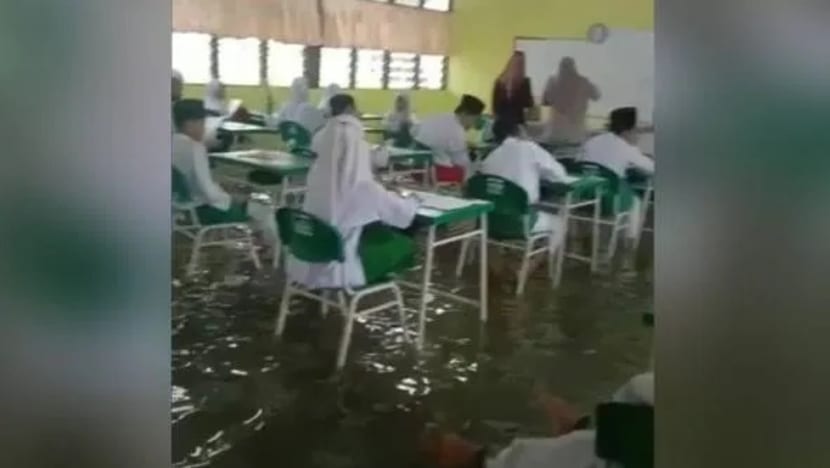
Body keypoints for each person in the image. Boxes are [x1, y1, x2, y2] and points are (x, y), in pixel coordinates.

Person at [286, 94, 420, 289]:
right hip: (341, 265)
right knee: (403, 242)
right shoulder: (361, 186)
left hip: (309, 253)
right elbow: (397, 211)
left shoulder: (316, 174)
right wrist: (412, 201)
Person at [480, 116, 575, 234]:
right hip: (521, 221)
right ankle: (546, 253)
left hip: (490, 222)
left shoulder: (489, 158)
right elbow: (559, 174)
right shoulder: (529, 148)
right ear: (520, 130)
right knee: (558, 221)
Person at [582, 107, 654, 241]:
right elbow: (651, 168)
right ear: (629, 130)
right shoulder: (626, 147)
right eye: (637, 129)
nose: (638, 133)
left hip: (587, 196)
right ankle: (629, 242)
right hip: (609, 199)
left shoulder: (592, 141)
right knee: (636, 201)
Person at [172, 99, 246, 224]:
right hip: (201, 211)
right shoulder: (195, 148)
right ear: (191, 124)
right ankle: (277, 243)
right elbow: (208, 192)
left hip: (177, 206)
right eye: (202, 123)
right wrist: (232, 198)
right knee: (261, 209)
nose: (204, 128)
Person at [413, 94, 486, 184]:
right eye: (474, 120)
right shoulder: (457, 130)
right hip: (430, 173)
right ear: (465, 114)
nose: (472, 125)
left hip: (415, 168)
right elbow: (461, 163)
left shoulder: (441, 116)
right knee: (466, 172)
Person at [541, 57, 600, 143]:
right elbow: (596, 96)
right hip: (576, 134)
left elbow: (545, 101)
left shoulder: (552, 82)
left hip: (556, 132)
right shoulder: (583, 82)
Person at [492, 51, 534, 126]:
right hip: (509, 123)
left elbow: (529, 105)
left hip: (510, 123)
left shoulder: (524, 82)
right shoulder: (500, 82)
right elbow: (495, 106)